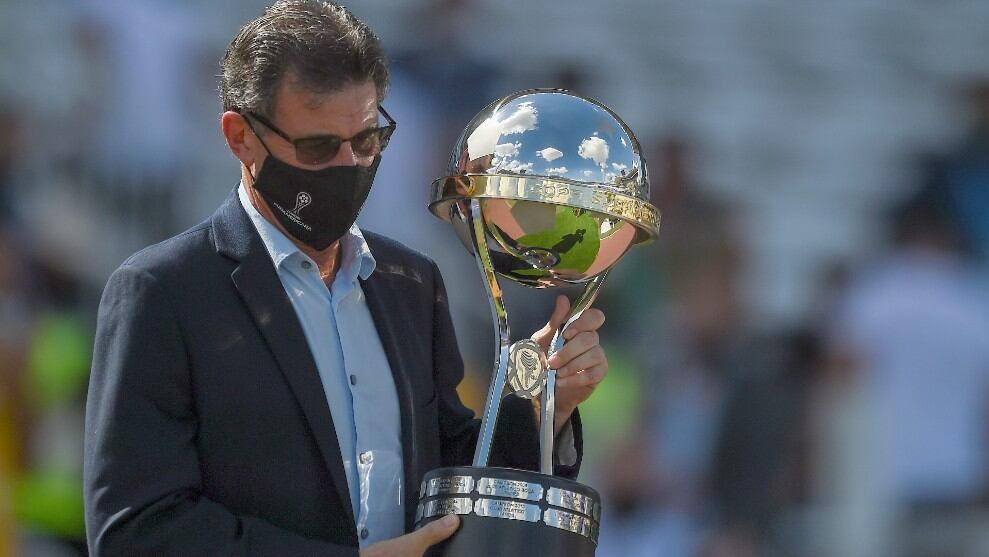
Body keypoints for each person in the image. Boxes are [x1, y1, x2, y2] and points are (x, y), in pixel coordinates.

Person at [83, 2, 610, 556]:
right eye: (316, 147)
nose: (348, 165)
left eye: (366, 141)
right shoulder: (162, 292)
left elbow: (450, 474)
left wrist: (540, 406)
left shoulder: (412, 282)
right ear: (239, 136)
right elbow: (135, 532)